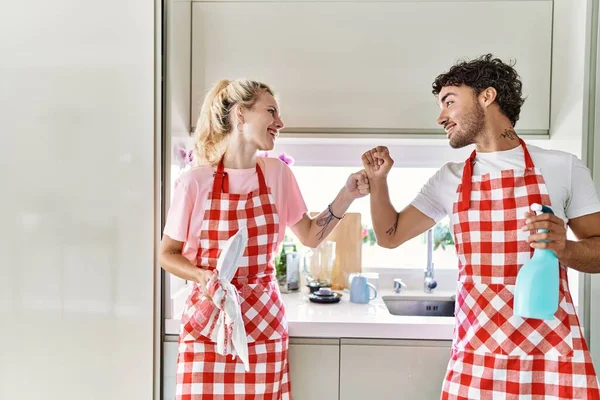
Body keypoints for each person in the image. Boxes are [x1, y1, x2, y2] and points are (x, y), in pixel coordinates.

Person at [362, 54, 600, 399]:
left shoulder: (563, 167)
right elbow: (390, 236)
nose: (440, 116)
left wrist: (566, 248)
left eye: (449, 102)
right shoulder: (450, 179)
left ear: (486, 96)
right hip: (478, 357)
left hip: (549, 355)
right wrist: (378, 180)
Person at [159, 78, 369, 400]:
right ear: (241, 115)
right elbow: (167, 254)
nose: (280, 122)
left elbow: (311, 236)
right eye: (271, 111)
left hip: (263, 325)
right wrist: (203, 276)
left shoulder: (277, 174)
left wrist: (348, 194)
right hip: (207, 326)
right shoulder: (194, 182)